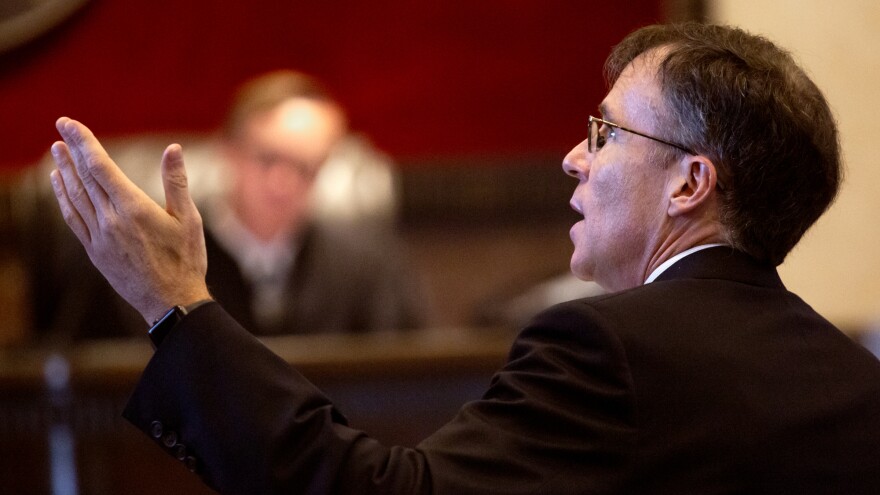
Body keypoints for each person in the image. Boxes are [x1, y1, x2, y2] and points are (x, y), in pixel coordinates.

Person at [47, 22, 880, 494]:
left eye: (606, 132)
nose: (573, 158)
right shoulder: (853, 381)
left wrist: (175, 304)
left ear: (691, 182)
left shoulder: (608, 350)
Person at [23, 70, 427, 342]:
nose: (283, 183)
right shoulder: (148, 258)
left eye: (306, 167)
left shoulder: (368, 269)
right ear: (228, 152)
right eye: (268, 159)